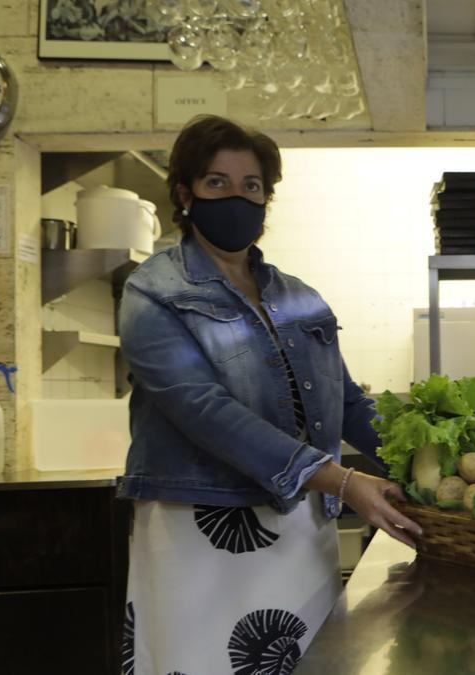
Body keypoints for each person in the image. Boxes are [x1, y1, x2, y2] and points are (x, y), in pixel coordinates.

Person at [116, 115, 421, 673]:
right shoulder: (153, 292)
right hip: (200, 524)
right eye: (217, 183)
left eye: (251, 186)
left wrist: (431, 462)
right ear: (185, 194)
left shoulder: (299, 298)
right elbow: (202, 410)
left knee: (304, 659)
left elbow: (346, 402)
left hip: (302, 524)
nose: (237, 197)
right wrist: (345, 479)